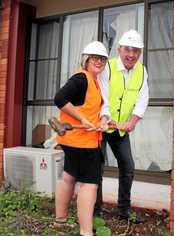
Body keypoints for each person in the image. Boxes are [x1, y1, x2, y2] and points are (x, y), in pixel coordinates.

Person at [54, 41, 109, 236]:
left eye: (103, 59)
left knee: (68, 177)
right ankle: (86, 232)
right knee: (89, 184)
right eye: (95, 57)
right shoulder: (81, 78)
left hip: (72, 141)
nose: (99, 61)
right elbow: (59, 99)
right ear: (86, 59)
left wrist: (101, 120)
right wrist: (83, 119)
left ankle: (59, 221)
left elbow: (93, 107)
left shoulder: (93, 81)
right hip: (84, 143)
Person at [96, 29, 149, 222]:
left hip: (121, 130)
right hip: (102, 126)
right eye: (128, 49)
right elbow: (102, 96)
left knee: (128, 167)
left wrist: (132, 122)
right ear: (119, 49)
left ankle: (124, 211)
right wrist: (108, 119)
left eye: (136, 51)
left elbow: (143, 99)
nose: (131, 55)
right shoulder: (108, 68)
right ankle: (95, 211)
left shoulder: (142, 71)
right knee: (97, 169)